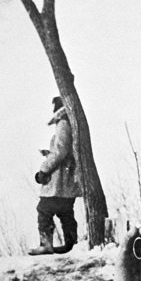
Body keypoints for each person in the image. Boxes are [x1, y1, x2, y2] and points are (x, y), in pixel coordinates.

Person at [29, 96, 82, 255]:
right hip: (68, 181)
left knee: (44, 210)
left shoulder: (63, 123)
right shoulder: (70, 121)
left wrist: (44, 170)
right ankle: (71, 244)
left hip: (59, 182)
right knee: (66, 213)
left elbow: (60, 151)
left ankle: (46, 244)